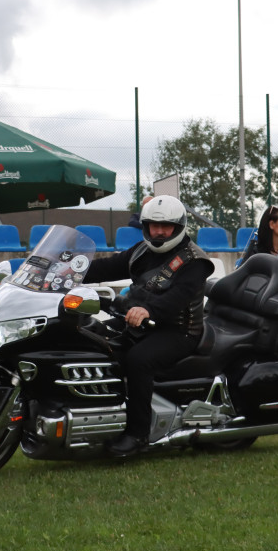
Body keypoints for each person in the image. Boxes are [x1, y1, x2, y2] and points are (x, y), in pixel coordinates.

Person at [83, 195, 214, 456]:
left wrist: (148, 310)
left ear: (179, 227)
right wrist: (69, 270)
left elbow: (178, 298)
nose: (159, 231)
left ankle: (138, 434)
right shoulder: (142, 250)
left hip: (179, 331)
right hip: (140, 323)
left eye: (166, 226)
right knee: (90, 337)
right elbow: (107, 267)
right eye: (154, 225)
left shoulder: (195, 261)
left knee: (138, 360)